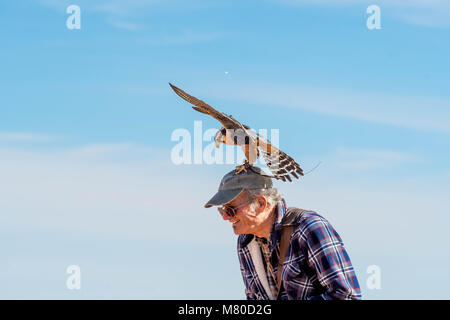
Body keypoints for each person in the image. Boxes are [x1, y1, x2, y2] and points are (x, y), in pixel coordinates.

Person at [204, 166, 362, 300]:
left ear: (260, 203)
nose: (225, 217)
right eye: (223, 209)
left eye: (231, 210)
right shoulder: (245, 243)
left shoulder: (310, 228)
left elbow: (346, 296)